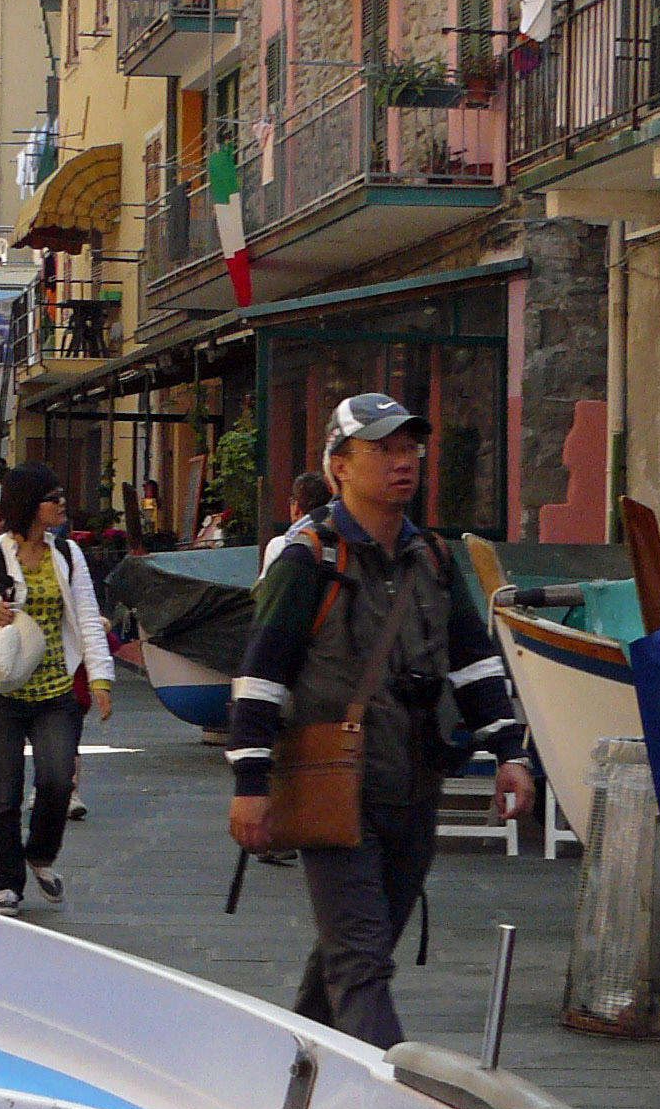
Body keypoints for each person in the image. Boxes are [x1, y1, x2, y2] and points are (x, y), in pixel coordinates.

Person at [226, 392, 535, 1050]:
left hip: (416, 783)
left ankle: (288, 1074)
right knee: (364, 964)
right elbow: (259, 675)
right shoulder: (309, 559)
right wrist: (249, 784)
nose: (403, 462)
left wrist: (510, 752)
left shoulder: (433, 559)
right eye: (383, 449)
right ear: (339, 465)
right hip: (335, 786)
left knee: (351, 955)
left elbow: (473, 662)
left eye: (410, 448)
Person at [0, 462, 112, 913]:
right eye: (53, 497)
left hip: (56, 688)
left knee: (58, 781)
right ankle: (7, 882)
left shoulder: (67, 554)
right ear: (29, 504)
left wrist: (100, 679)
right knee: (3, 792)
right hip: (3, 689)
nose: (62, 504)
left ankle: (40, 854)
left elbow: (85, 615)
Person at [262, 470, 330, 572]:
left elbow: (265, 585)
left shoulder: (279, 545)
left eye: (292, 501)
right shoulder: (340, 540)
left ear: (296, 507)